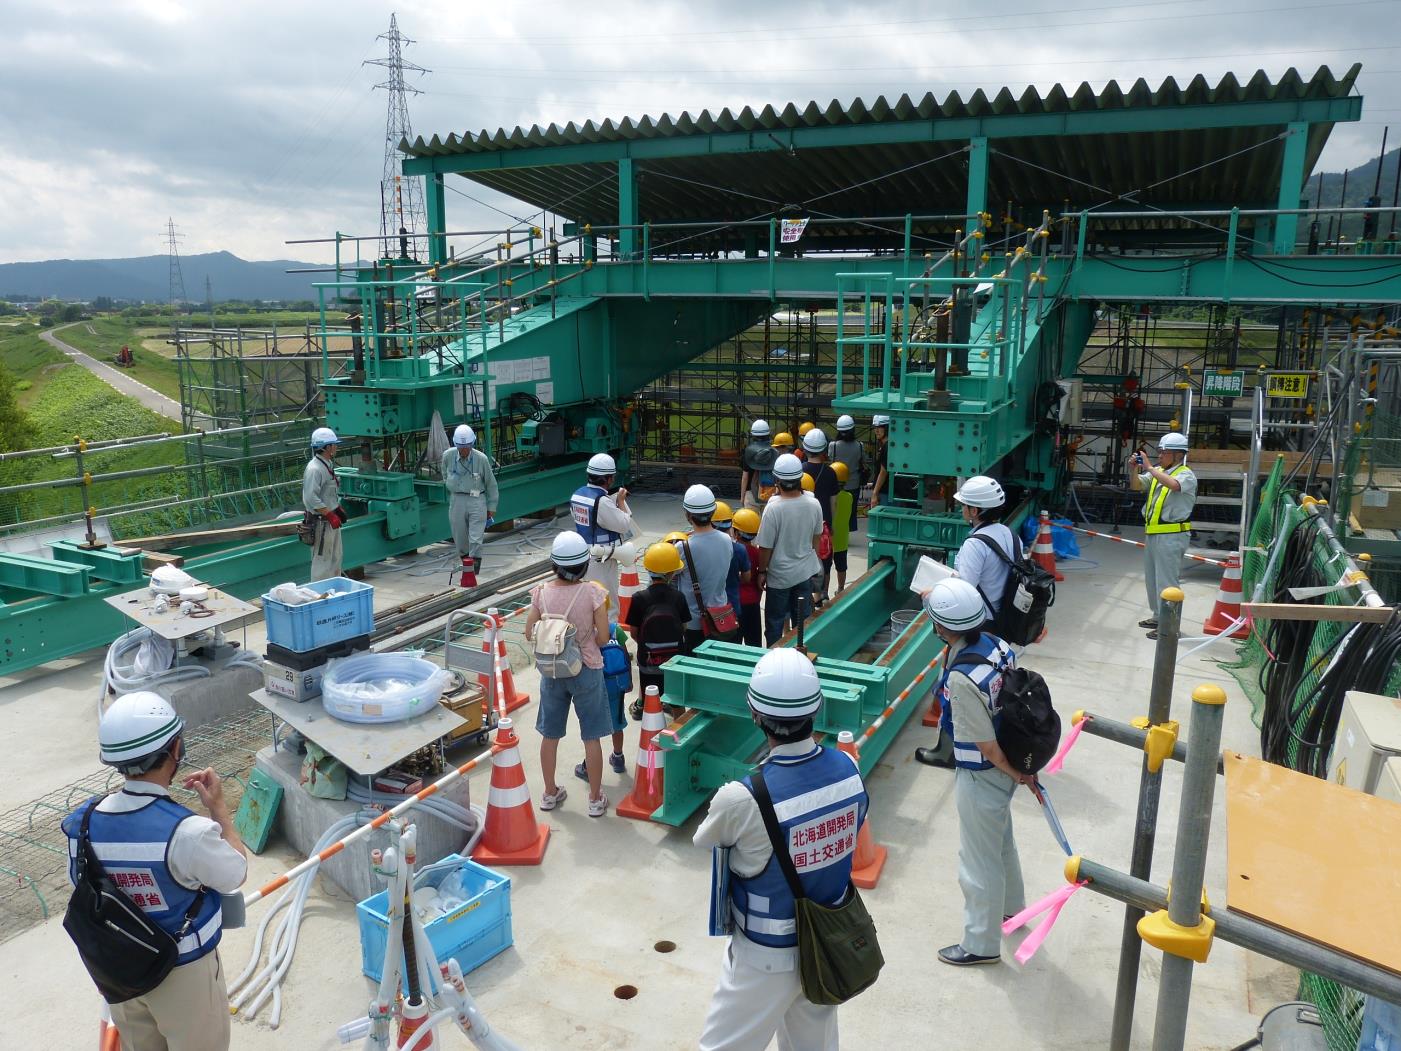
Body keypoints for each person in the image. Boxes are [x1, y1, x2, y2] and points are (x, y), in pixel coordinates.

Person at [695, 648, 867, 1051]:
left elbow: (705, 841)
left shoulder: (741, 797)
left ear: (754, 713)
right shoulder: (849, 771)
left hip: (764, 957)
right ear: (817, 708)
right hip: (826, 945)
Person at [62, 692, 248, 1050]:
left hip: (120, 974)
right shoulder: (187, 832)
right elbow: (234, 872)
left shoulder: (82, 823)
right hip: (183, 973)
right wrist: (219, 808)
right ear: (175, 748)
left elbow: (81, 883)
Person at [917, 579, 1029, 966]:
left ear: (943, 628)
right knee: (1001, 844)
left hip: (983, 772)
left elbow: (984, 744)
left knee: (978, 861)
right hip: (1004, 765)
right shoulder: (995, 645)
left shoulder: (963, 679)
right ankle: (1012, 909)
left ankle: (980, 944)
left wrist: (1015, 773)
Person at [916, 475, 1020, 770]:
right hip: (999, 621)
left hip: (975, 624)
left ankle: (946, 751)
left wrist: (933, 592)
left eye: (965, 505)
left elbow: (966, 591)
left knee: (953, 685)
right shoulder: (1008, 534)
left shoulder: (976, 543)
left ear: (975, 511)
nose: (962, 509)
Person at [525, 533, 613, 817]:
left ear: (554, 564)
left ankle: (549, 793)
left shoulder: (540, 592)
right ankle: (596, 799)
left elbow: (529, 633)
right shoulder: (592, 593)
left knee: (550, 735)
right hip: (586, 668)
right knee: (591, 737)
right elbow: (602, 639)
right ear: (584, 565)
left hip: (552, 670)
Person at [1129, 432, 1197, 639]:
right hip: (1154, 534)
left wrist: (1148, 467)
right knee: (1152, 580)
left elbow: (1174, 485)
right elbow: (1136, 485)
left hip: (1172, 535)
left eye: (1164, 452)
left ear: (1178, 455)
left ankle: (1169, 627)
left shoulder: (1186, 474)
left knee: (1168, 582)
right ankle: (1159, 616)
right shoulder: (1158, 471)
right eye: (1159, 451)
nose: (1159, 456)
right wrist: (1134, 469)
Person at [756, 453, 823, 647]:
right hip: (804, 574)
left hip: (779, 577)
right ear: (799, 478)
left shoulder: (774, 509)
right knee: (802, 623)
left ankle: (775, 663)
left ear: (777, 479)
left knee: (775, 624)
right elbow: (816, 539)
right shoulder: (813, 503)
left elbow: (765, 547)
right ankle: (800, 657)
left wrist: (762, 571)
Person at [625, 542, 692, 719]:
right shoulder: (678, 597)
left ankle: (651, 737)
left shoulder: (639, 598)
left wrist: (649, 645)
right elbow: (684, 628)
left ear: (648, 570)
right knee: (677, 703)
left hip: (649, 663)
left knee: (651, 703)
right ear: (672, 573)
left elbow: (633, 632)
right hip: (674, 663)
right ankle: (681, 737)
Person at [675, 484, 741, 650]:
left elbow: (670, 577)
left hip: (693, 623)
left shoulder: (683, 548)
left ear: (688, 515)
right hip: (720, 618)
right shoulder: (727, 541)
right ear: (712, 512)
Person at [571, 453, 634, 616]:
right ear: (609, 479)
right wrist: (620, 501)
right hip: (602, 559)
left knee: (587, 603)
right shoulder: (602, 502)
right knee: (607, 606)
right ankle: (608, 638)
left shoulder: (577, 494)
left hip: (584, 556)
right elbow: (624, 524)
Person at [441, 424, 499, 588]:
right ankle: (466, 562)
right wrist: (449, 485)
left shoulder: (481, 459)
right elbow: (444, 472)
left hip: (476, 500)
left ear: (472, 445)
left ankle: (472, 571)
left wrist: (491, 506)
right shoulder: (448, 456)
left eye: (467, 447)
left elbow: (491, 484)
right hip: (457, 499)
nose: (464, 450)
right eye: (461, 447)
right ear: (456, 445)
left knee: (475, 537)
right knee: (459, 536)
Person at [802, 428, 841, 606]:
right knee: (824, 558)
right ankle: (822, 593)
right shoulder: (831, 473)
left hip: (804, 525)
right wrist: (831, 524)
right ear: (824, 450)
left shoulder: (800, 471)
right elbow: (834, 502)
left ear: (805, 448)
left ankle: (806, 595)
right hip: (823, 524)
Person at [303, 426, 346, 581]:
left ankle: (333, 591)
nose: (336, 447)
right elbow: (310, 498)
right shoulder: (314, 469)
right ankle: (320, 596)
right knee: (322, 561)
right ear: (327, 447)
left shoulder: (326, 465)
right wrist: (328, 513)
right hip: (321, 523)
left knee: (335, 557)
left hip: (331, 521)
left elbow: (327, 492)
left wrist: (337, 508)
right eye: (334, 444)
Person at [712, 501, 752, 627]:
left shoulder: (700, 547)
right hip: (732, 606)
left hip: (709, 609)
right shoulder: (739, 549)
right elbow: (747, 578)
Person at [828, 415, 867, 534]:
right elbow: (862, 460)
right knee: (850, 510)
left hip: (836, 483)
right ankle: (847, 532)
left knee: (835, 509)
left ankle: (836, 531)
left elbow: (830, 459)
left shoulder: (833, 446)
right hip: (853, 483)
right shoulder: (860, 446)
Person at [731, 508, 764, 647]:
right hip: (752, 604)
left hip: (734, 604)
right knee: (754, 643)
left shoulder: (731, 551)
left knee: (734, 645)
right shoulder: (757, 553)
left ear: (737, 533)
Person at [739, 420, 778, 510]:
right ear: (768, 434)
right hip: (769, 494)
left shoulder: (748, 452)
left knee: (751, 522)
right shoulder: (775, 453)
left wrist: (742, 497)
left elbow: (745, 477)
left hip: (751, 495)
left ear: (753, 435)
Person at [829, 462, 853, 596]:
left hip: (829, 538)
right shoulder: (849, 497)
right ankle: (840, 588)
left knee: (826, 567)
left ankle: (822, 592)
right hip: (842, 538)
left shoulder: (830, 498)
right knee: (841, 565)